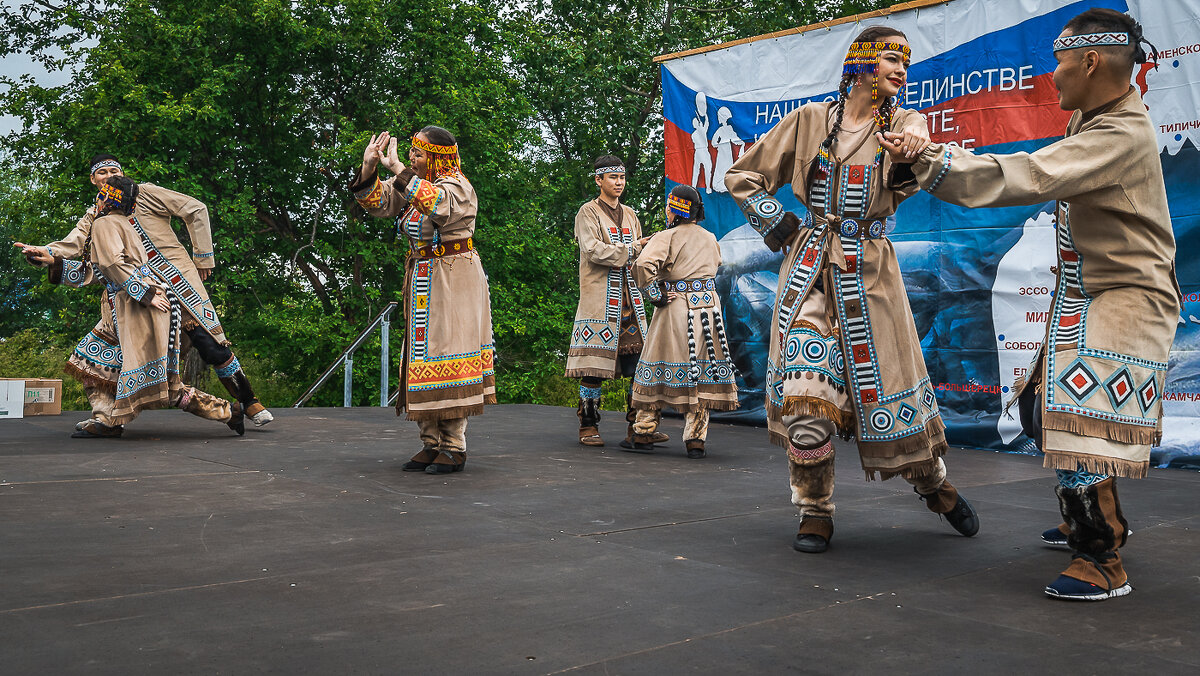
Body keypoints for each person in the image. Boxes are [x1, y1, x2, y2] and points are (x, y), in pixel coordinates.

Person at [887, 8, 1176, 600]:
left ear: (1091, 61)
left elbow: (1031, 175)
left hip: (1127, 296)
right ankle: (1088, 518)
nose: (1055, 73)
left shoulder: (1121, 132)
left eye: (1061, 60)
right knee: (1043, 407)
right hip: (1087, 293)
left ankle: (1101, 559)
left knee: (1080, 421)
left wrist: (930, 158)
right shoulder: (1093, 120)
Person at [724, 26, 979, 554]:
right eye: (892, 58)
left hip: (871, 275)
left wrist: (912, 149)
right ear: (861, 61)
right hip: (809, 270)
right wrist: (782, 224)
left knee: (888, 398)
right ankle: (814, 510)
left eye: (906, 62)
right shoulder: (810, 122)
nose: (902, 70)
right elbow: (743, 177)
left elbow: (921, 153)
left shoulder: (905, 123)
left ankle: (934, 485)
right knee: (805, 395)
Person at [15, 154, 273, 434]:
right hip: (128, 299)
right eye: (102, 172)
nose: (109, 175)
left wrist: (204, 257)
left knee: (210, 344)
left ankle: (248, 402)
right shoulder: (96, 217)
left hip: (176, 282)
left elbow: (195, 209)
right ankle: (106, 419)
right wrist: (46, 253)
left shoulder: (145, 193)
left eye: (115, 169)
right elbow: (78, 247)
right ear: (93, 180)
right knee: (100, 357)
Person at [349, 126, 495, 474]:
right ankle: (430, 442)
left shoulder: (457, 186)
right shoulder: (412, 185)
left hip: (454, 278)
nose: (412, 159)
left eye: (418, 154)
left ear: (438, 157)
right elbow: (377, 202)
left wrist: (399, 170)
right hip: (423, 280)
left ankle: (454, 446)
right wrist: (369, 167)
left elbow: (437, 206)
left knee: (449, 354)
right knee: (420, 356)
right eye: (411, 153)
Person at [565, 155, 668, 449]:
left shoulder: (631, 214)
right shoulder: (588, 213)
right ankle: (588, 425)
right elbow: (594, 250)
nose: (619, 183)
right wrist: (635, 247)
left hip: (631, 301)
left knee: (639, 369)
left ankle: (638, 427)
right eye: (612, 178)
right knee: (592, 370)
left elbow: (641, 260)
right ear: (599, 180)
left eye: (622, 178)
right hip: (599, 303)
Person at [630, 185, 738, 457]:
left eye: (668, 206)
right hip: (708, 309)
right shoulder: (710, 237)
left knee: (658, 362)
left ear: (675, 209)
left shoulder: (667, 236)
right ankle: (696, 439)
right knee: (701, 369)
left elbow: (643, 265)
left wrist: (655, 293)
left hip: (676, 308)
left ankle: (644, 430)